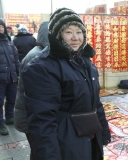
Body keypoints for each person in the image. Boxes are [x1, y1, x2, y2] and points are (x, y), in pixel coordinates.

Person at [22, 8, 111, 160]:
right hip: (65, 140)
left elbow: (95, 103)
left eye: (79, 32)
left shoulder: (85, 62)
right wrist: (49, 155)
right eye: (68, 32)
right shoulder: (42, 67)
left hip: (90, 136)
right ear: (57, 35)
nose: (75, 37)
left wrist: (103, 131)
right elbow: (42, 120)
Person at [14, 21, 49, 159]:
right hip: (31, 117)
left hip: (32, 116)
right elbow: (38, 94)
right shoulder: (38, 56)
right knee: (39, 151)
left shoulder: (41, 53)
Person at [0, 19, 20, 135]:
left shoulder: (9, 42)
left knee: (12, 99)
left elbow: (16, 60)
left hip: (11, 77)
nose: (1, 29)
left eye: (2, 26)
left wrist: (18, 72)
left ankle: (9, 117)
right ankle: (0, 123)